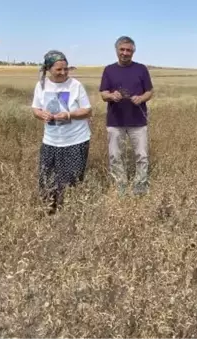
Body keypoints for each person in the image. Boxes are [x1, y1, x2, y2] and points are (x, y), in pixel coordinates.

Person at [31, 50, 93, 214]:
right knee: (47, 180)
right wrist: (41, 114)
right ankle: (49, 211)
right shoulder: (41, 85)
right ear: (48, 69)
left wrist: (69, 114)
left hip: (75, 140)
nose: (63, 72)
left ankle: (70, 212)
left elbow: (88, 111)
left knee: (71, 181)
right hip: (51, 141)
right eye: (58, 69)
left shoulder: (75, 85)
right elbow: (35, 109)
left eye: (66, 69)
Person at [99, 36, 154, 196]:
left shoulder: (141, 69)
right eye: (122, 49)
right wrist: (111, 96)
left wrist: (141, 98)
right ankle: (120, 186)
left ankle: (140, 186)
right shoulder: (109, 70)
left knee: (141, 155)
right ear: (116, 50)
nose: (125, 53)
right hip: (115, 121)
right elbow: (103, 94)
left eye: (128, 50)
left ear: (133, 52)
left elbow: (150, 91)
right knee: (115, 155)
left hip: (138, 121)